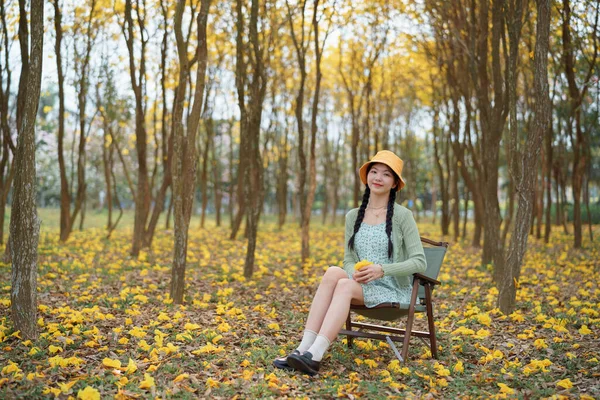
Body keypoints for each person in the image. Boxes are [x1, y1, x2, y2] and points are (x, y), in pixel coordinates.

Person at [273, 150, 426, 375]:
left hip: (392, 289)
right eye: (374, 171)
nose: (378, 177)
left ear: (394, 184)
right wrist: (352, 272)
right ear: (366, 177)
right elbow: (348, 258)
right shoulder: (353, 216)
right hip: (362, 284)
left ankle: (314, 356)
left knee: (343, 285)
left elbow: (420, 262)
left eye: (386, 174)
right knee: (333, 272)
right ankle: (302, 349)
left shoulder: (403, 216)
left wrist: (382, 270)